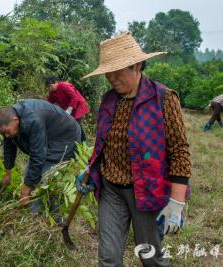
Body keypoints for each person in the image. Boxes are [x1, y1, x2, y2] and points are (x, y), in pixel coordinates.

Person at [77, 32, 191, 267]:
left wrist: (177, 203)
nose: (111, 77)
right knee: (108, 257)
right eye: (108, 71)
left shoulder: (163, 98)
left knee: (149, 256)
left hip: (148, 190)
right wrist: (90, 169)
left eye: (117, 71)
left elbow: (179, 150)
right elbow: (103, 143)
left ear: (137, 65)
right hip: (111, 191)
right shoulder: (109, 100)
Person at [0, 99, 81, 209]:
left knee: (44, 178)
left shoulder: (33, 120)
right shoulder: (9, 122)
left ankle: (47, 214)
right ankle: (35, 209)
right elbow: (9, 146)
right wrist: (8, 171)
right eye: (2, 133)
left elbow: (38, 156)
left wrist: (26, 190)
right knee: (31, 177)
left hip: (66, 137)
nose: (5, 135)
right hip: (50, 135)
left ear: (15, 120)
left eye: (6, 132)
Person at [45, 77, 89, 141]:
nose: (50, 88)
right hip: (68, 109)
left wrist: (68, 110)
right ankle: (78, 142)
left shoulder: (64, 85)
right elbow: (49, 103)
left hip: (78, 106)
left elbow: (75, 97)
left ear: (55, 82)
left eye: (50, 86)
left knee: (76, 124)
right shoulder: (52, 93)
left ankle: (82, 144)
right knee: (71, 125)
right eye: (48, 87)